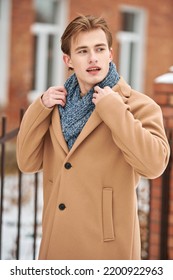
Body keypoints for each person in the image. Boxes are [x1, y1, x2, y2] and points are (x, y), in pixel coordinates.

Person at [17, 15, 170, 260]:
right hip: (57, 244)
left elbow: (154, 165)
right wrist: (40, 108)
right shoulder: (57, 105)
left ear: (110, 54)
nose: (93, 58)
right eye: (82, 51)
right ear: (68, 60)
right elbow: (26, 162)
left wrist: (114, 110)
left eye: (99, 49)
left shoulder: (140, 105)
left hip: (107, 248)